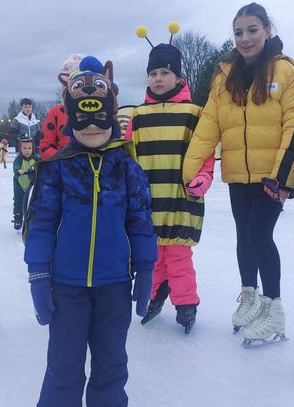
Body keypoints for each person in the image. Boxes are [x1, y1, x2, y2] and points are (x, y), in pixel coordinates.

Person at [23, 56, 157, 407]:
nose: (93, 126)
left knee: (112, 365)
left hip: (114, 285)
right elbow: (41, 223)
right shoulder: (56, 169)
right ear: (70, 121)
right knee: (64, 368)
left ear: (112, 116)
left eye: (100, 116)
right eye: (83, 116)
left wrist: (145, 269)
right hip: (66, 287)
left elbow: (141, 222)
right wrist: (38, 273)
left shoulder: (127, 168)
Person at [183, 2, 294, 345]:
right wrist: (191, 168)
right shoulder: (226, 76)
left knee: (259, 234)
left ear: (268, 30)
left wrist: (283, 176)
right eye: (238, 32)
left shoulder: (286, 72)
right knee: (244, 235)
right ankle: (251, 296)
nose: (245, 38)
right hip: (239, 173)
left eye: (252, 30)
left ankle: (275, 310)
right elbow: (210, 123)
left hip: (271, 176)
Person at [127, 23, 214, 334]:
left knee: (177, 255)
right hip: (149, 200)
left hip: (180, 198)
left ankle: (186, 303)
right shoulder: (137, 116)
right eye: (153, 74)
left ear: (178, 77)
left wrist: (203, 179)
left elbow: (204, 154)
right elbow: (130, 158)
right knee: (151, 255)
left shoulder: (194, 113)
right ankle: (154, 295)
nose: (158, 79)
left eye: (165, 73)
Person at [38, 53, 84, 160]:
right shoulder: (56, 112)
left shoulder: (100, 112)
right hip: (63, 171)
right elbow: (45, 147)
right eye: (65, 84)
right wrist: (64, 161)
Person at [12, 134, 38, 230]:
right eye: (25, 148)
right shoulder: (19, 159)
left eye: (29, 148)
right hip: (19, 184)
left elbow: (41, 164)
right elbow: (15, 166)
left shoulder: (36, 158)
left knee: (34, 200)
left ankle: (34, 216)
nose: (27, 150)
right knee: (19, 200)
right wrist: (18, 170)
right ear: (20, 149)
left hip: (32, 184)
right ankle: (18, 217)